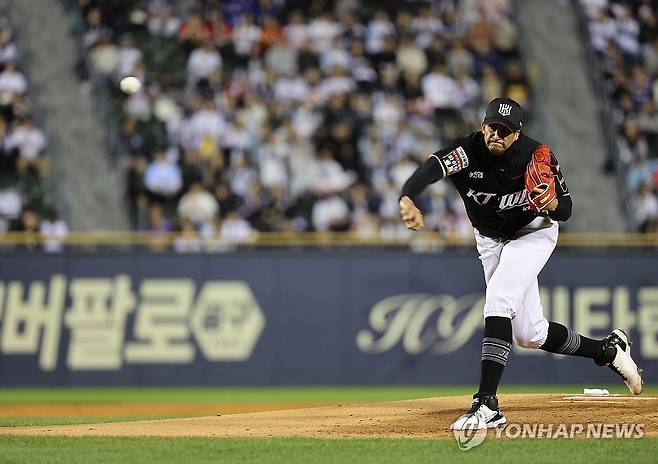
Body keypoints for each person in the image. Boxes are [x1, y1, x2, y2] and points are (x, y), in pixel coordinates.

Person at [399, 97, 644, 431]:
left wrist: (552, 203)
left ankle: (487, 404)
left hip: (533, 233)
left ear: (517, 133)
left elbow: (566, 210)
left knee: (498, 299)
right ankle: (608, 351)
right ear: (483, 125)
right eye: (492, 127)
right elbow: (430, 169)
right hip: (489, 240)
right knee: (530, 334)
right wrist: (408, 196)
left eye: (506, 130)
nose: (497, 135)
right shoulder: (467, 152)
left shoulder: (535, 154)